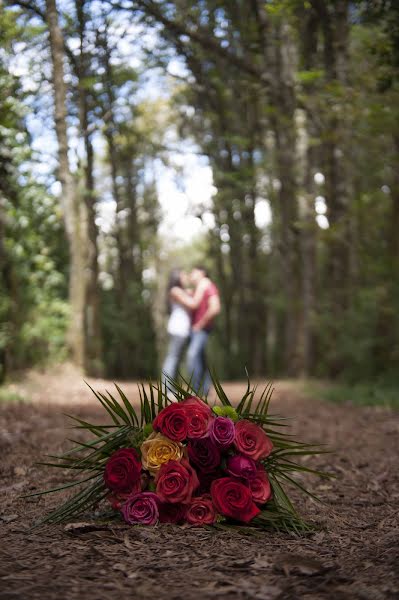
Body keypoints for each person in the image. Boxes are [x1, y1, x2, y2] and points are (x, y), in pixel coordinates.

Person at [183, 266, 221, 396]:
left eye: (193, 272)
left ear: (202, 273)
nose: (191, 275)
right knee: (200, 358)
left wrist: (200, 324)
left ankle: (196, 390)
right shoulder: (200, 288)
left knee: (192, 355)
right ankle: (204, 390)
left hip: (201, 329)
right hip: (196, 329)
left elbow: (215, 307)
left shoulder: (208, 286)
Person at [161, 269, 192, 394]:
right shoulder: (176, 290)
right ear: (177, 277)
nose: (186, 278)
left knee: (175, 358)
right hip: (178, 328)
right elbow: (192, 304)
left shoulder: (180, 291)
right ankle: (166, 389)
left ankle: (170, 388)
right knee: (172, 358)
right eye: (183, 275)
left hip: (181, 328)